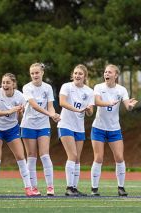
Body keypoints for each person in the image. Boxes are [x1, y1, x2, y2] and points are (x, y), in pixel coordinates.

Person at [90, 64, 138, 196]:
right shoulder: (98, 87)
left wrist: (130, 106)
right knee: (98, 158)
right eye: (105, 72)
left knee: (119, 157)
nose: (106, 74)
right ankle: (94, 189)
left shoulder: (121, 90)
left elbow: (127, 105)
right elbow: (97, 101)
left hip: (114, 129)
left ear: (116, 75)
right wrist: (108, 103)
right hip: (98, 128)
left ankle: (121, 188)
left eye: (110, 72)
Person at [0, 73, 35, 197]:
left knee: (21, 156)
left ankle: (28, 188)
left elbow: (21, 116)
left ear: (13, 84)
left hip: (12, 129)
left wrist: (21, 112)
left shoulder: (20, 96)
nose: (5, 85)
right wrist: (8, 111)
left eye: (8, 82)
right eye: (3, 82)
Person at [20, 63, 60, 196]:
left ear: (42, 73)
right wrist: (50, 114)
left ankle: (50, 187)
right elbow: (34, 105)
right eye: (32, 73)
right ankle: (33, 187)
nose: (34, 75)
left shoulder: (48, 87)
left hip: (43, 125)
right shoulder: (27, 87)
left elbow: (51, 106)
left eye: (37, 73)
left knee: (45, 154)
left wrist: (53, 115)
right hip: (28, 125)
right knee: (31, 156)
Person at [57, 64, 94, 196]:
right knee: (72, 155)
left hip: (79, 127)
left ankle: (74, 188)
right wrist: (77, 109)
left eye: (80, 74)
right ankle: (68, 187)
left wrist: (89, 110)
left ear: (85, 76)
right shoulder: (66, 86)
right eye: (76, 73)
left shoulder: (89, 91)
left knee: (77, 158)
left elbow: (90, 112)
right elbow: (62, 102)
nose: (77, 76)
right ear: (72, 75)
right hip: (65, 124)